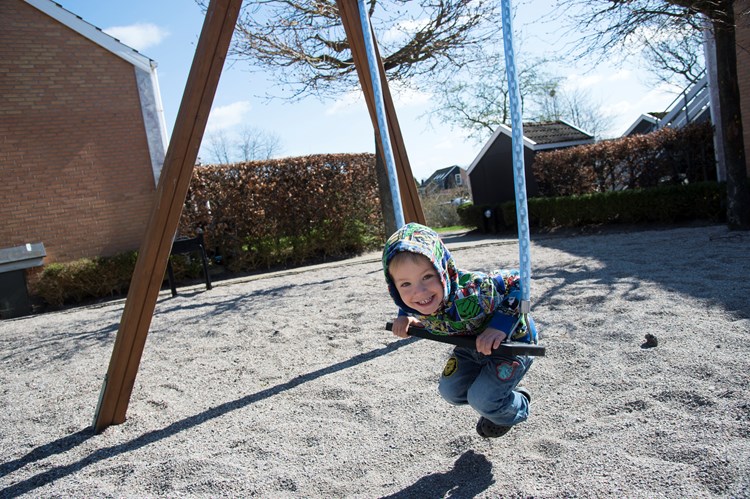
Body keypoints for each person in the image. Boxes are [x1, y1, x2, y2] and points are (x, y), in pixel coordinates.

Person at [382, 222, 537, 438]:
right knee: (450, 392)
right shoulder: (411, 303)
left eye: (427, 277)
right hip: (470, 346)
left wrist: (499, 325)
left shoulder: (475, 291)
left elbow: (521, 282)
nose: (419, 292)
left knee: (483, 400)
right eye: (405, 284)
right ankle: (494, 400)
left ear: (443, 270)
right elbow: (407, 301)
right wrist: (404, 316)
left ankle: (517, 403)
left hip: (512, 344)